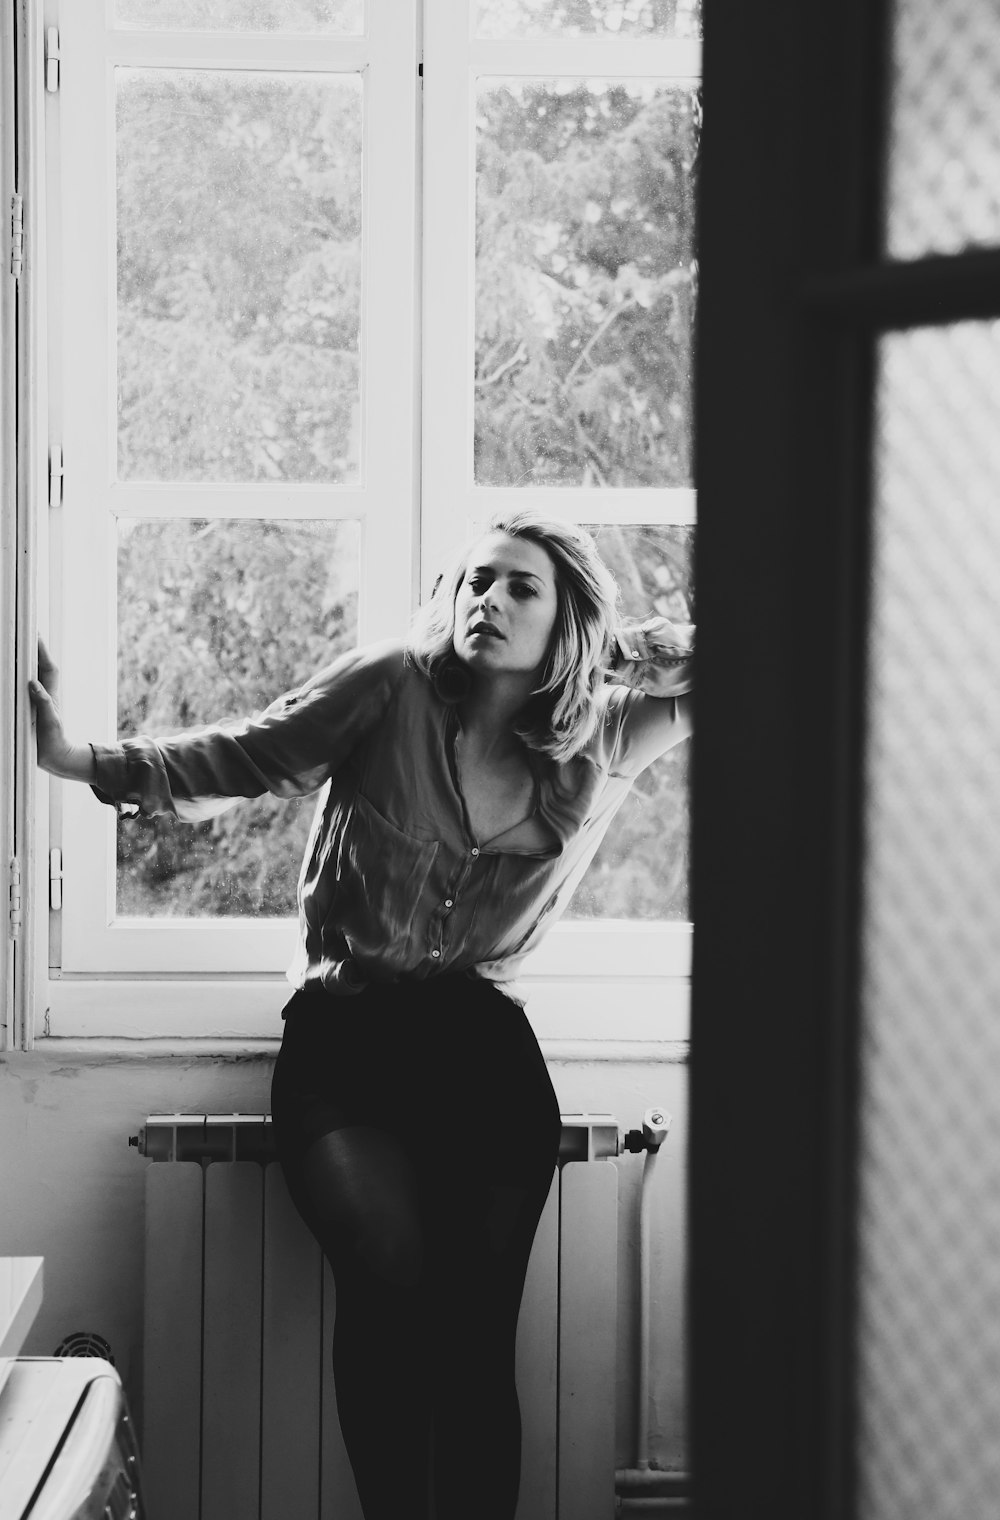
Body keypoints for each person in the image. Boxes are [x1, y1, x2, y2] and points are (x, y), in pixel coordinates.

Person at [29, 508, 693, 1520]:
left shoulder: (602, 735)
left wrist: (633, 649)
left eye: (520, 586)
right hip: (343, 1038)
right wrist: (85, 761)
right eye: (475, 580)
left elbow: (769, 654)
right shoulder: (390, 686)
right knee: (389, 1283)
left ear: (566, 617)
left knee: (475, 1333)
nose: (487, 600)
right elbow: (249, 752)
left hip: (480, 1048)